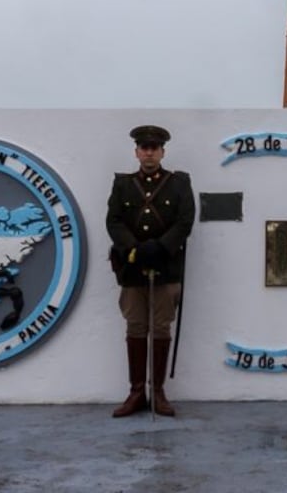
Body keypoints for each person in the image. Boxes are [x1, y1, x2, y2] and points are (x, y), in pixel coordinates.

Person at [107, 125, 195, 417]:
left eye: (154, 148)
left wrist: (159, 248)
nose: (148, 152)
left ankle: (157, 392)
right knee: (135, 326)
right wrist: (134, 248)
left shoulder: (178, 183)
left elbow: (184, 221)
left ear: (162, 152)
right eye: (143, 147)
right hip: (132, 267)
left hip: (165, 267)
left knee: (160, 327)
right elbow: (114, 221)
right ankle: (136, 393)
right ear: (136, 152)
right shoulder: (123, 184)